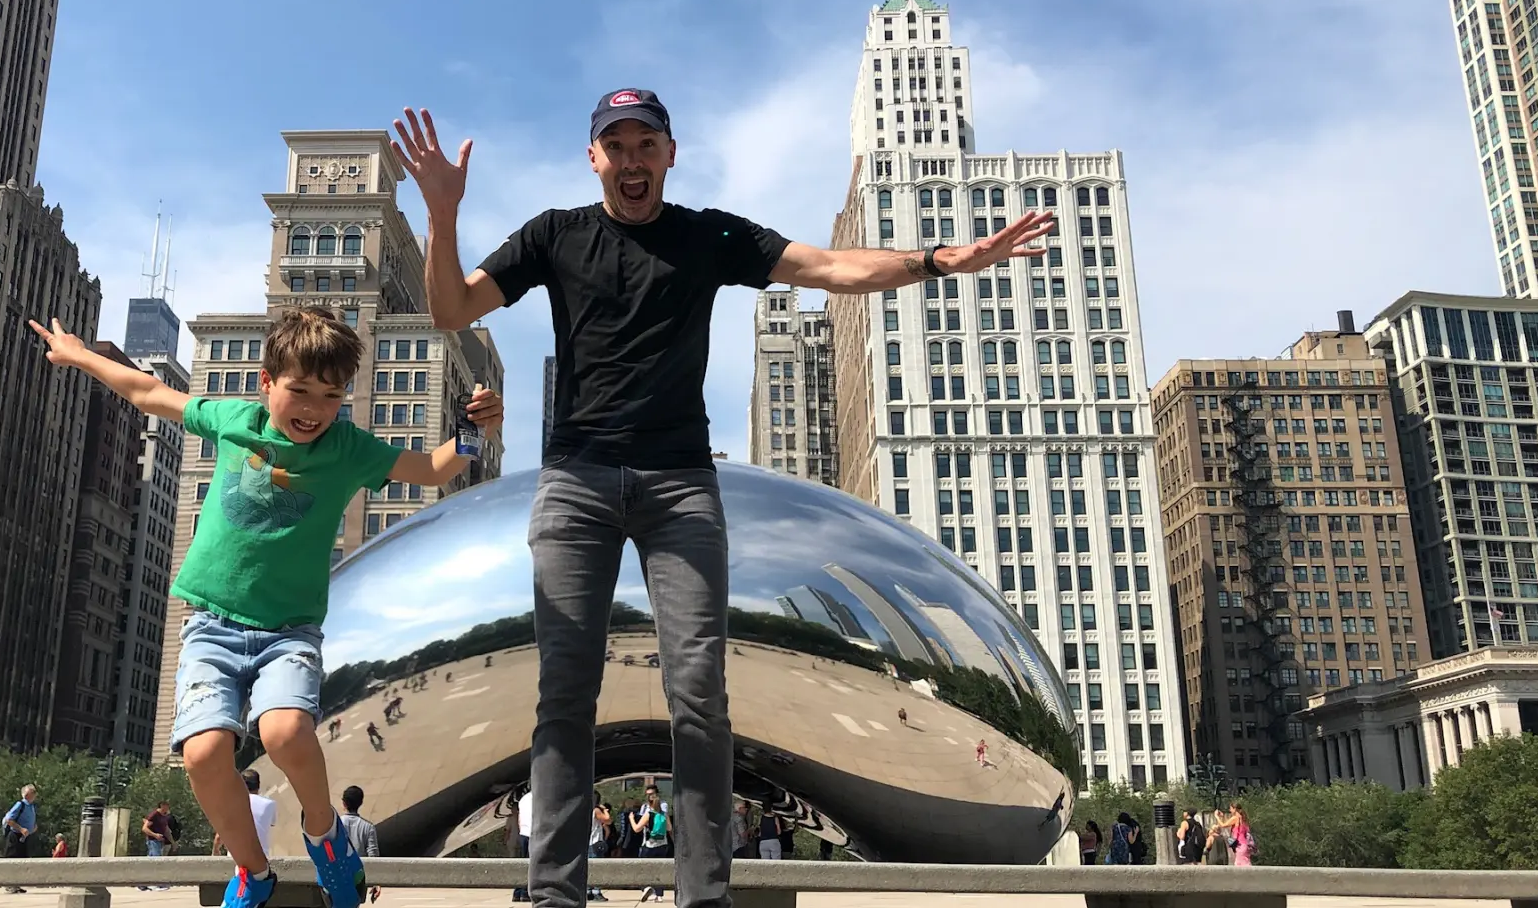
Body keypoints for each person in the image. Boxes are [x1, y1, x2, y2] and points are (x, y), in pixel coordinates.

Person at [392, 88, 1050, 908]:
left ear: (670, 153)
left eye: (646, 144)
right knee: (565, 694)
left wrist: (940, 260)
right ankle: (556, 895)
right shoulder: (555, 235)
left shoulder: (708, 236)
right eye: (616, 145)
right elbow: (451, 308)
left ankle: (704, 896)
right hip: (578, 486)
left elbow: (830, 267)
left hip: (680, 489)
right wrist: (442, 214)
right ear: (592, 157)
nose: (631, 160)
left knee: (698, 695)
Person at [30, 306, 502, 908]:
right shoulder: (234, 419)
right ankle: (253, 871)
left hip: (288, 630)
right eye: (298, 391)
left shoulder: (348, 449)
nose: (312, 410)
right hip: (210, 624)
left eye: (330, 397)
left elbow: (434, 469)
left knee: (284, 731)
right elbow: (148, 393)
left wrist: (476, 429)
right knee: (202, 754)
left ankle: (325, 835)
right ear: (266, 383)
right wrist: (79, 355)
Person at [214, 770, 280, 865]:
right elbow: (271, 823)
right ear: (258, 785)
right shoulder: (270, 804)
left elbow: (219, 836)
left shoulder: (231, 803)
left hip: (235, 859)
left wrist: (216, 850)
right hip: (262, 858)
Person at [340, 786, 382, 903]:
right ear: (361, 803)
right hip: (358, 877)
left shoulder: (336, 825)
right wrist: (376, 881)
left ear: (344, 803)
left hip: (338, 875)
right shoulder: (368, 827)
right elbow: (373, 855)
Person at [632, 786, 672, 903]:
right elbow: (669, 828)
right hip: (663, 845)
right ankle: (659, 895)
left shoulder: (648, 813)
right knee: (659, 869)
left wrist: (631, 819)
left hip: (649, 844)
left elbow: (636, 829)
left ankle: (647, 888)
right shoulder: (664, 814)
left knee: (645, 868)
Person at [1, 784, 40, 894]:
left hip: (24, 837)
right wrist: (21, 829)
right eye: (33, 792)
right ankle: (9, 885)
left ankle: (16, 884)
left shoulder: (31, 806)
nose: (35, 795)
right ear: (27, 794)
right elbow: (9, 819)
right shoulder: (20, 804)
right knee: (12, 859)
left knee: (22, 860)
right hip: (15, 836)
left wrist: (32, 828)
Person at [138, 800, 176, 892]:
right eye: (166, 806)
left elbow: (166, 830)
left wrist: (172, 842)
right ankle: (159, 884)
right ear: (162, 806)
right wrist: (155, 835)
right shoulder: (154, 815)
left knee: (149, 864)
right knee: (157, 862)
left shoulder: (164, 817)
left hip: (159, 843)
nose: (168, 808)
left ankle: (142, 884)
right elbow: (144, 828)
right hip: (153, 842)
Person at [587, 795, 611, 901]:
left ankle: (588, 891)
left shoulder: (584, 809)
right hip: (595, 842)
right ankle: (596, 892)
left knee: (588, 868)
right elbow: (608, 820)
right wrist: (605, 810)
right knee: (597, 867)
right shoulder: (596, 810)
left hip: (587, 842)